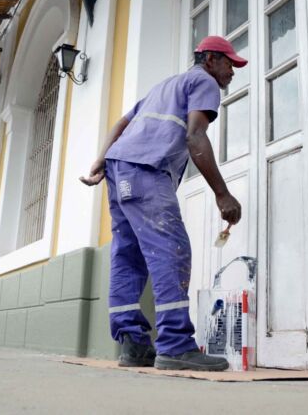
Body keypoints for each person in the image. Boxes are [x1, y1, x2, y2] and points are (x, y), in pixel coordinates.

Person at [80, 35, 245, 371]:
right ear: (210, 59)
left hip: (120, 169)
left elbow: (122, 123)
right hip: (146, 170)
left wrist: (101, 160)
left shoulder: (164, 87)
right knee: (172, 248)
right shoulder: (204, 80)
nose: (232, 72)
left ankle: (134, 345)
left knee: (129, 254)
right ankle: (175, 345)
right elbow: (195, 135)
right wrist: (222, 193)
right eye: (229, 63)